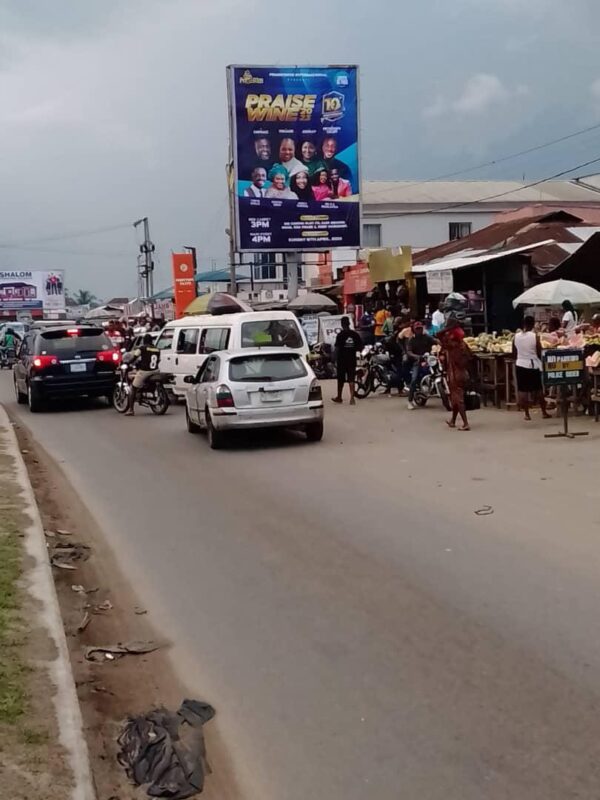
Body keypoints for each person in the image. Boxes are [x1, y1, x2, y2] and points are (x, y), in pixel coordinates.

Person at [513, 316, 551, 422]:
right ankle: (544, 412)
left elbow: (514, 352)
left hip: (520, 364)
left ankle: (526, 414)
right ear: (533, 324)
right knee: (538, 389)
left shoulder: (516, 336)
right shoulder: (535, 336)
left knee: (522, 390)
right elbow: (539, 351)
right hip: (533, 364)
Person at [439, 317, 472, 431]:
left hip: (455, 373)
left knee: (458, 398)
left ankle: (465, 423)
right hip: (463, 372)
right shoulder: (463, 344)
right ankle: (453, 420)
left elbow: (438, 336)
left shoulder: (452, 345)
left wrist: (447, 329)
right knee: (455, 398)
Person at [126, 334, 161, 416]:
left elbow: (134, 357)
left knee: (133, 388)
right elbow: (158, 360)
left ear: (144, 341)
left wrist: (128, 363)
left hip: (145, 371)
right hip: (155, 370)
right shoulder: (157, 349)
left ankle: (131, 410)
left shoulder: (142, 348)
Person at [405, 322, 438, 410]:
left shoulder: (427, 337)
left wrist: (441, 344)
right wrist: (417, 357)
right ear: (414, 330)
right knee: (414, 379)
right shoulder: (411, 340)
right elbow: (409, 352)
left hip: (429, 359)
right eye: (417, 329)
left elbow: (436, 341)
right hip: (418, 361)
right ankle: (410, 401)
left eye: (420, 328)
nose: (419, 330)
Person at [332, 317, 363, 405]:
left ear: (342, 324)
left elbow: (337, 348)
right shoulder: (355, 334)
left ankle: (339, 397)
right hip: (351, 359)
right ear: (349, 323)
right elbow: (360, 347)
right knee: (351, 378)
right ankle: (352, 398)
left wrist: (333, 358)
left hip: (342, 359)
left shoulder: (340, 335)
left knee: (341, 379)